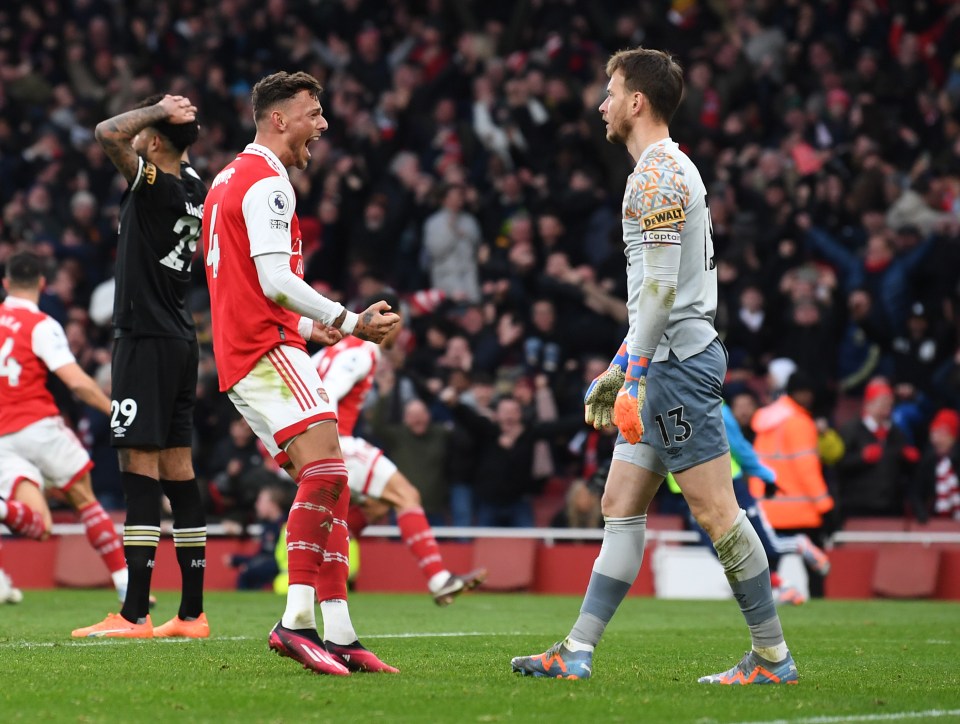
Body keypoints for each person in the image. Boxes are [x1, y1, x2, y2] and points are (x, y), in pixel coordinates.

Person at [511, 48, 798, 685]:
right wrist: (621, 364)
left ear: (637, 100)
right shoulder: (661, 171)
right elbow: (650, 298)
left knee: (718, 514)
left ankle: (773, 657)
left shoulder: (658, 177)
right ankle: (577, 650)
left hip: (677, 368)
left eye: (610, 92)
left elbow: (663, 292)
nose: (602, 104)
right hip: (663, 361)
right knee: (619, 502)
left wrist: (631, 373)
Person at [200, 71, 399, 676]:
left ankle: (337, 631)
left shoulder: (226, 179)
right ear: (279, 119)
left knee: (328, 481)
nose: (323, 125)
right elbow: (274, 281)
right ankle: (294, 623)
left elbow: (242, 285)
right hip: (264, 350)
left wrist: (316, 330)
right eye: (313, 113)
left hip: (250, 349)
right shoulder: (269, 183)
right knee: (332, 472)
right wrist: (349, 319)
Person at [73, 93, 211, 640]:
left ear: (154, 143)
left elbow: (108, 131)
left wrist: (157, 108)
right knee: (179, 468)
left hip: (144, 339)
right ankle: (193, 614)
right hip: (180, 339)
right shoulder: (195, 189)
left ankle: (133, 615)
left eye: (146, 138)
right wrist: (179, 121)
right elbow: (173, 148)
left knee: (138, 468)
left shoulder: (155, 185)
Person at [312, 292, 486, 616]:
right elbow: (328, 393)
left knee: (375, 507)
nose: (399, 335)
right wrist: (327, 445)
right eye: (397, 325)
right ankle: (439, 580)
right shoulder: (362, 350)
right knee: (407, 495)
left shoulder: (330, 348)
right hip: (333, 441)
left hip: (305, 441)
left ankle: (311, 583)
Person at [0, 252, 128, 604]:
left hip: (3, 440)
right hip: (39, 426)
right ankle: (125, 585)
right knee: (85, 502)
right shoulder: (41, 324)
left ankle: (2, 508)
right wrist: (114, 411)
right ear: (42, 283)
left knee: (39, 528)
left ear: (6, 284)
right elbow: (78, 383)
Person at [672, 402, 831, 606]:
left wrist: (765, 475)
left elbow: (738, 446)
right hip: (689, 493)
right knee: (724, 552)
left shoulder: (711, 403)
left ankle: (797, 546)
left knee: (764, 546)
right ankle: (782, 585)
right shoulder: (657, 401)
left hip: (728, 487)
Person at [748, 371, 837, 598]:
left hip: (769, 507)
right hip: (800, 509)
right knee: (816, 570)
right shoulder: (800, 423)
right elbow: (807, 470)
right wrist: (825, 506)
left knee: (767, 568)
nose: (807, 397)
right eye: (804, 392)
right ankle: (818, 610)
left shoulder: (766, 421)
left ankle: (763, 612)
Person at [225, 483, 294, 590]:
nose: (256, 505)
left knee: (249, 572)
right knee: (249, 570)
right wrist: (239, 561)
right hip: (273, 567)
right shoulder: (267, 526)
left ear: (272, 504)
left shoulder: (286, 525)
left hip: (281, 570)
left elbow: (273, 557)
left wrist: (246, 564)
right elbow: (262, 555)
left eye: (260, 501)